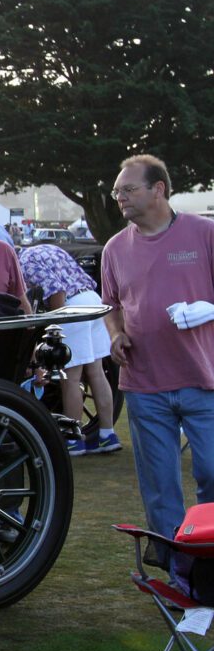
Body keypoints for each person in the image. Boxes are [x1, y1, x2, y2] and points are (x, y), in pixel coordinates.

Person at [101, 153, 214, 550]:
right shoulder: (114, 248)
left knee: (213, 475)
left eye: (128, 189)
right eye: (117, 191)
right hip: (144, 385)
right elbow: (111, 305)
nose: (120, 197)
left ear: (159, 190)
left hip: (205, 381)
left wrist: (208, 309)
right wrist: (115, 335)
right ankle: (177, 572)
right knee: (160, 489)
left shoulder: (204, 233)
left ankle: (209, 562)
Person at [19, 243, 119, 455]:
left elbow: (56, 290)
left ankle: (74, 440)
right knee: (97, 372)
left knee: (70, 378)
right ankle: (107, 434)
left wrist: (53, 323)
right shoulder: (51, 249)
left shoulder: (24, 261)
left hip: (72, 307)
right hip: (93, 300)